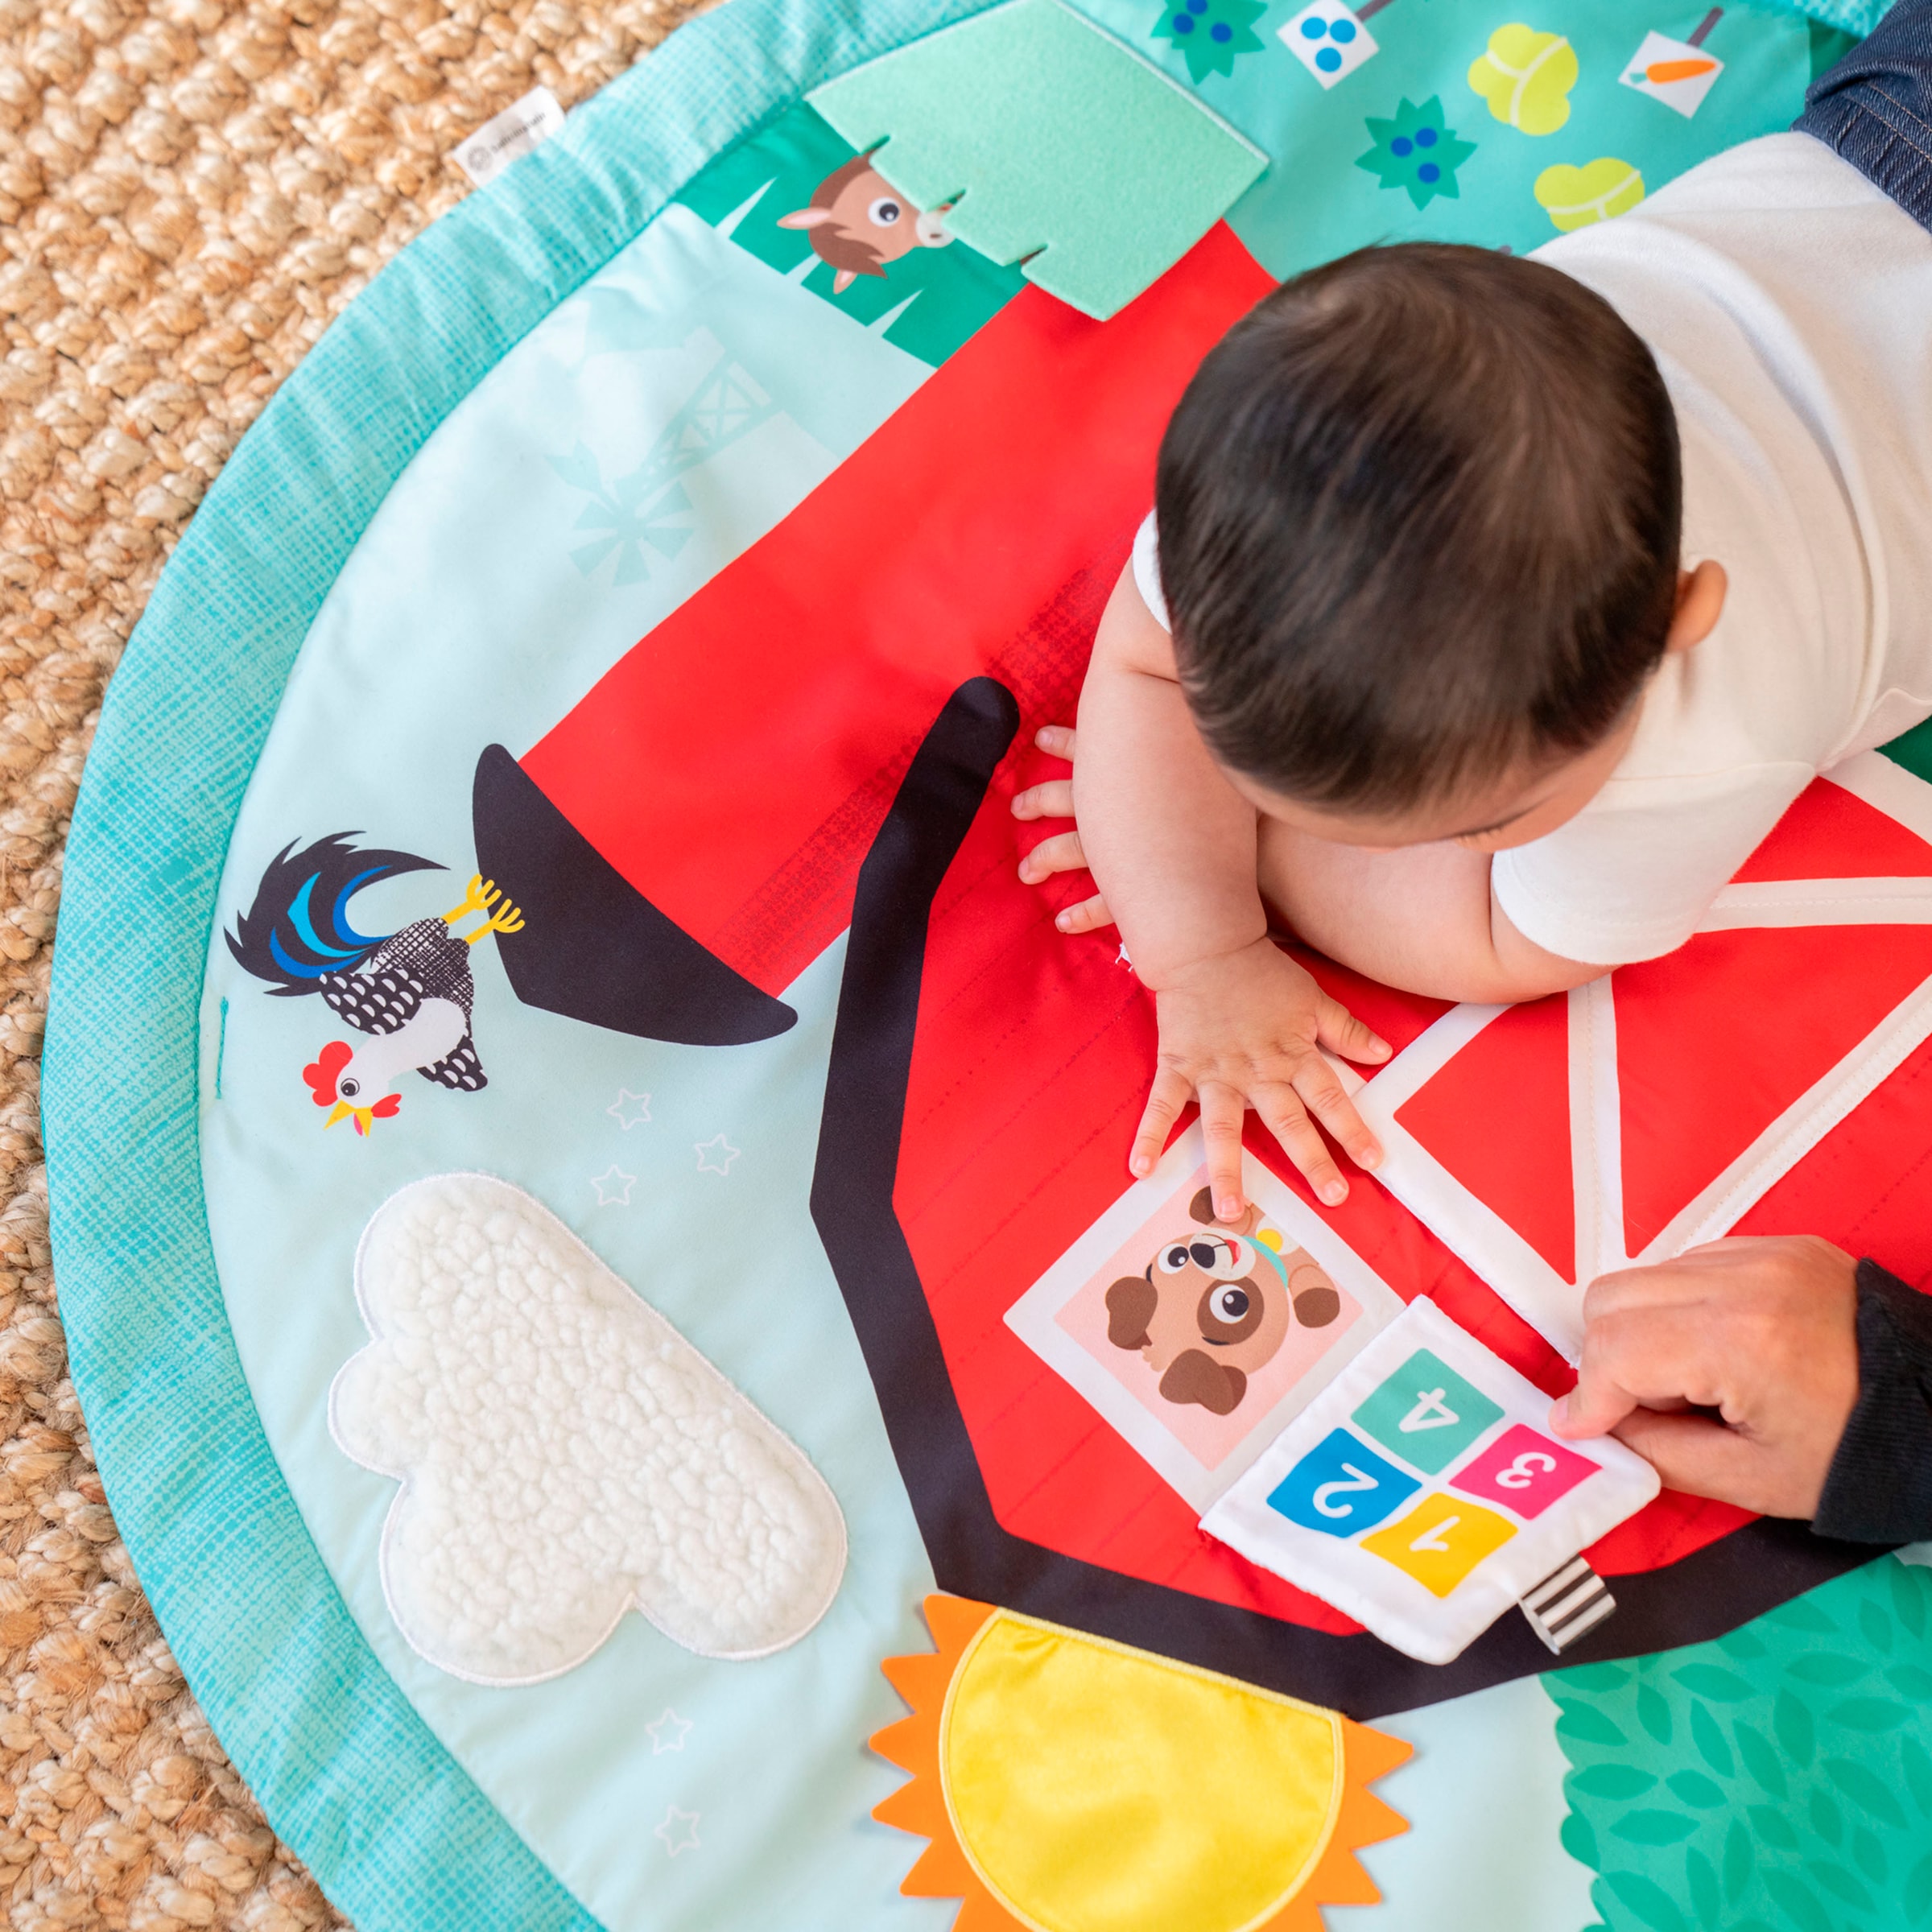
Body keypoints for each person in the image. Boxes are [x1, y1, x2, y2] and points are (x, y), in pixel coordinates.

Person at [1016, 3, 1932, 1534]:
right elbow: (1142, 670)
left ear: (1679, 630)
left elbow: (1499, 944)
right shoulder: (1287, 492)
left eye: (1483, 815)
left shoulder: (1709, 721)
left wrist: (1232, 900)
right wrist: (1190, 933)